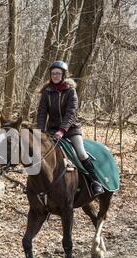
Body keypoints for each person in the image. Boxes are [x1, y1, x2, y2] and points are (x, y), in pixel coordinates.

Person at [36, 60, 104, 196]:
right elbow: (42, 113)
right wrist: (40, 131)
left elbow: (70, 113)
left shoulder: (71, 91)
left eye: (58, 73)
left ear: (64, 75)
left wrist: (62, 130)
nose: (55, 76)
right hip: (52, 131)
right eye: (53, 73)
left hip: (71, 130)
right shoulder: (46, 92)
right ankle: (36, 187)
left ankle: (95, 182)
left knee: (81, 153)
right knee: (40, 154)